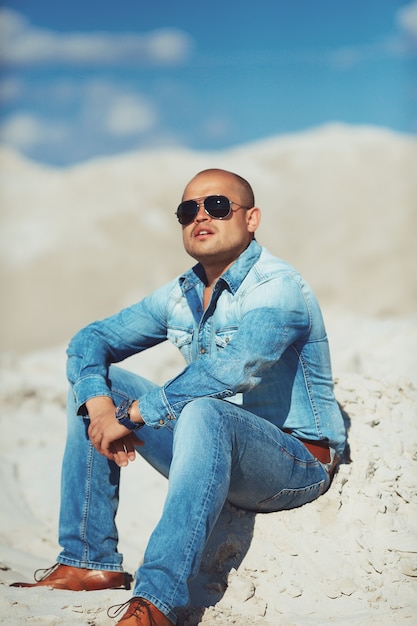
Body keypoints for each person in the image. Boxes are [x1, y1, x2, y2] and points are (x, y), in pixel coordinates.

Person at [12, 168, 346, 625]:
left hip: (294, 462)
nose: (200, 217)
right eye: (188, 210)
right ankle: (88, 560)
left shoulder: (278, 286)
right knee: (100, 385)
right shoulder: (181, 293)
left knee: (205, 408)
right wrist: (102, 405)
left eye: (217, 206)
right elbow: (90, 340)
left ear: (252, 219)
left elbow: (232, 369)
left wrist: (131, 417)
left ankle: (157, 601)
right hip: (211, 448)